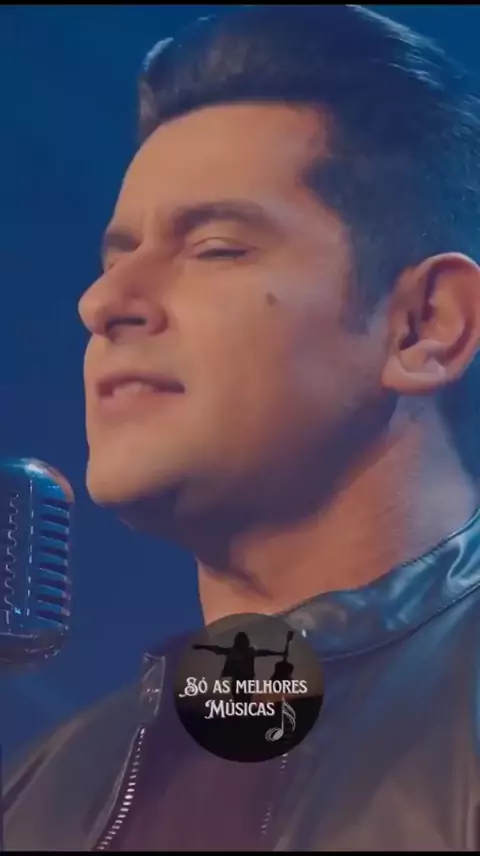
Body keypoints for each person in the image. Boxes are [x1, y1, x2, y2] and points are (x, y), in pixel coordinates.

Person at [4, 3, 480, 850]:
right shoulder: (39, 791)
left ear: (425, 325)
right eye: (116, 257)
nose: (104, 301)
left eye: (216, 248)